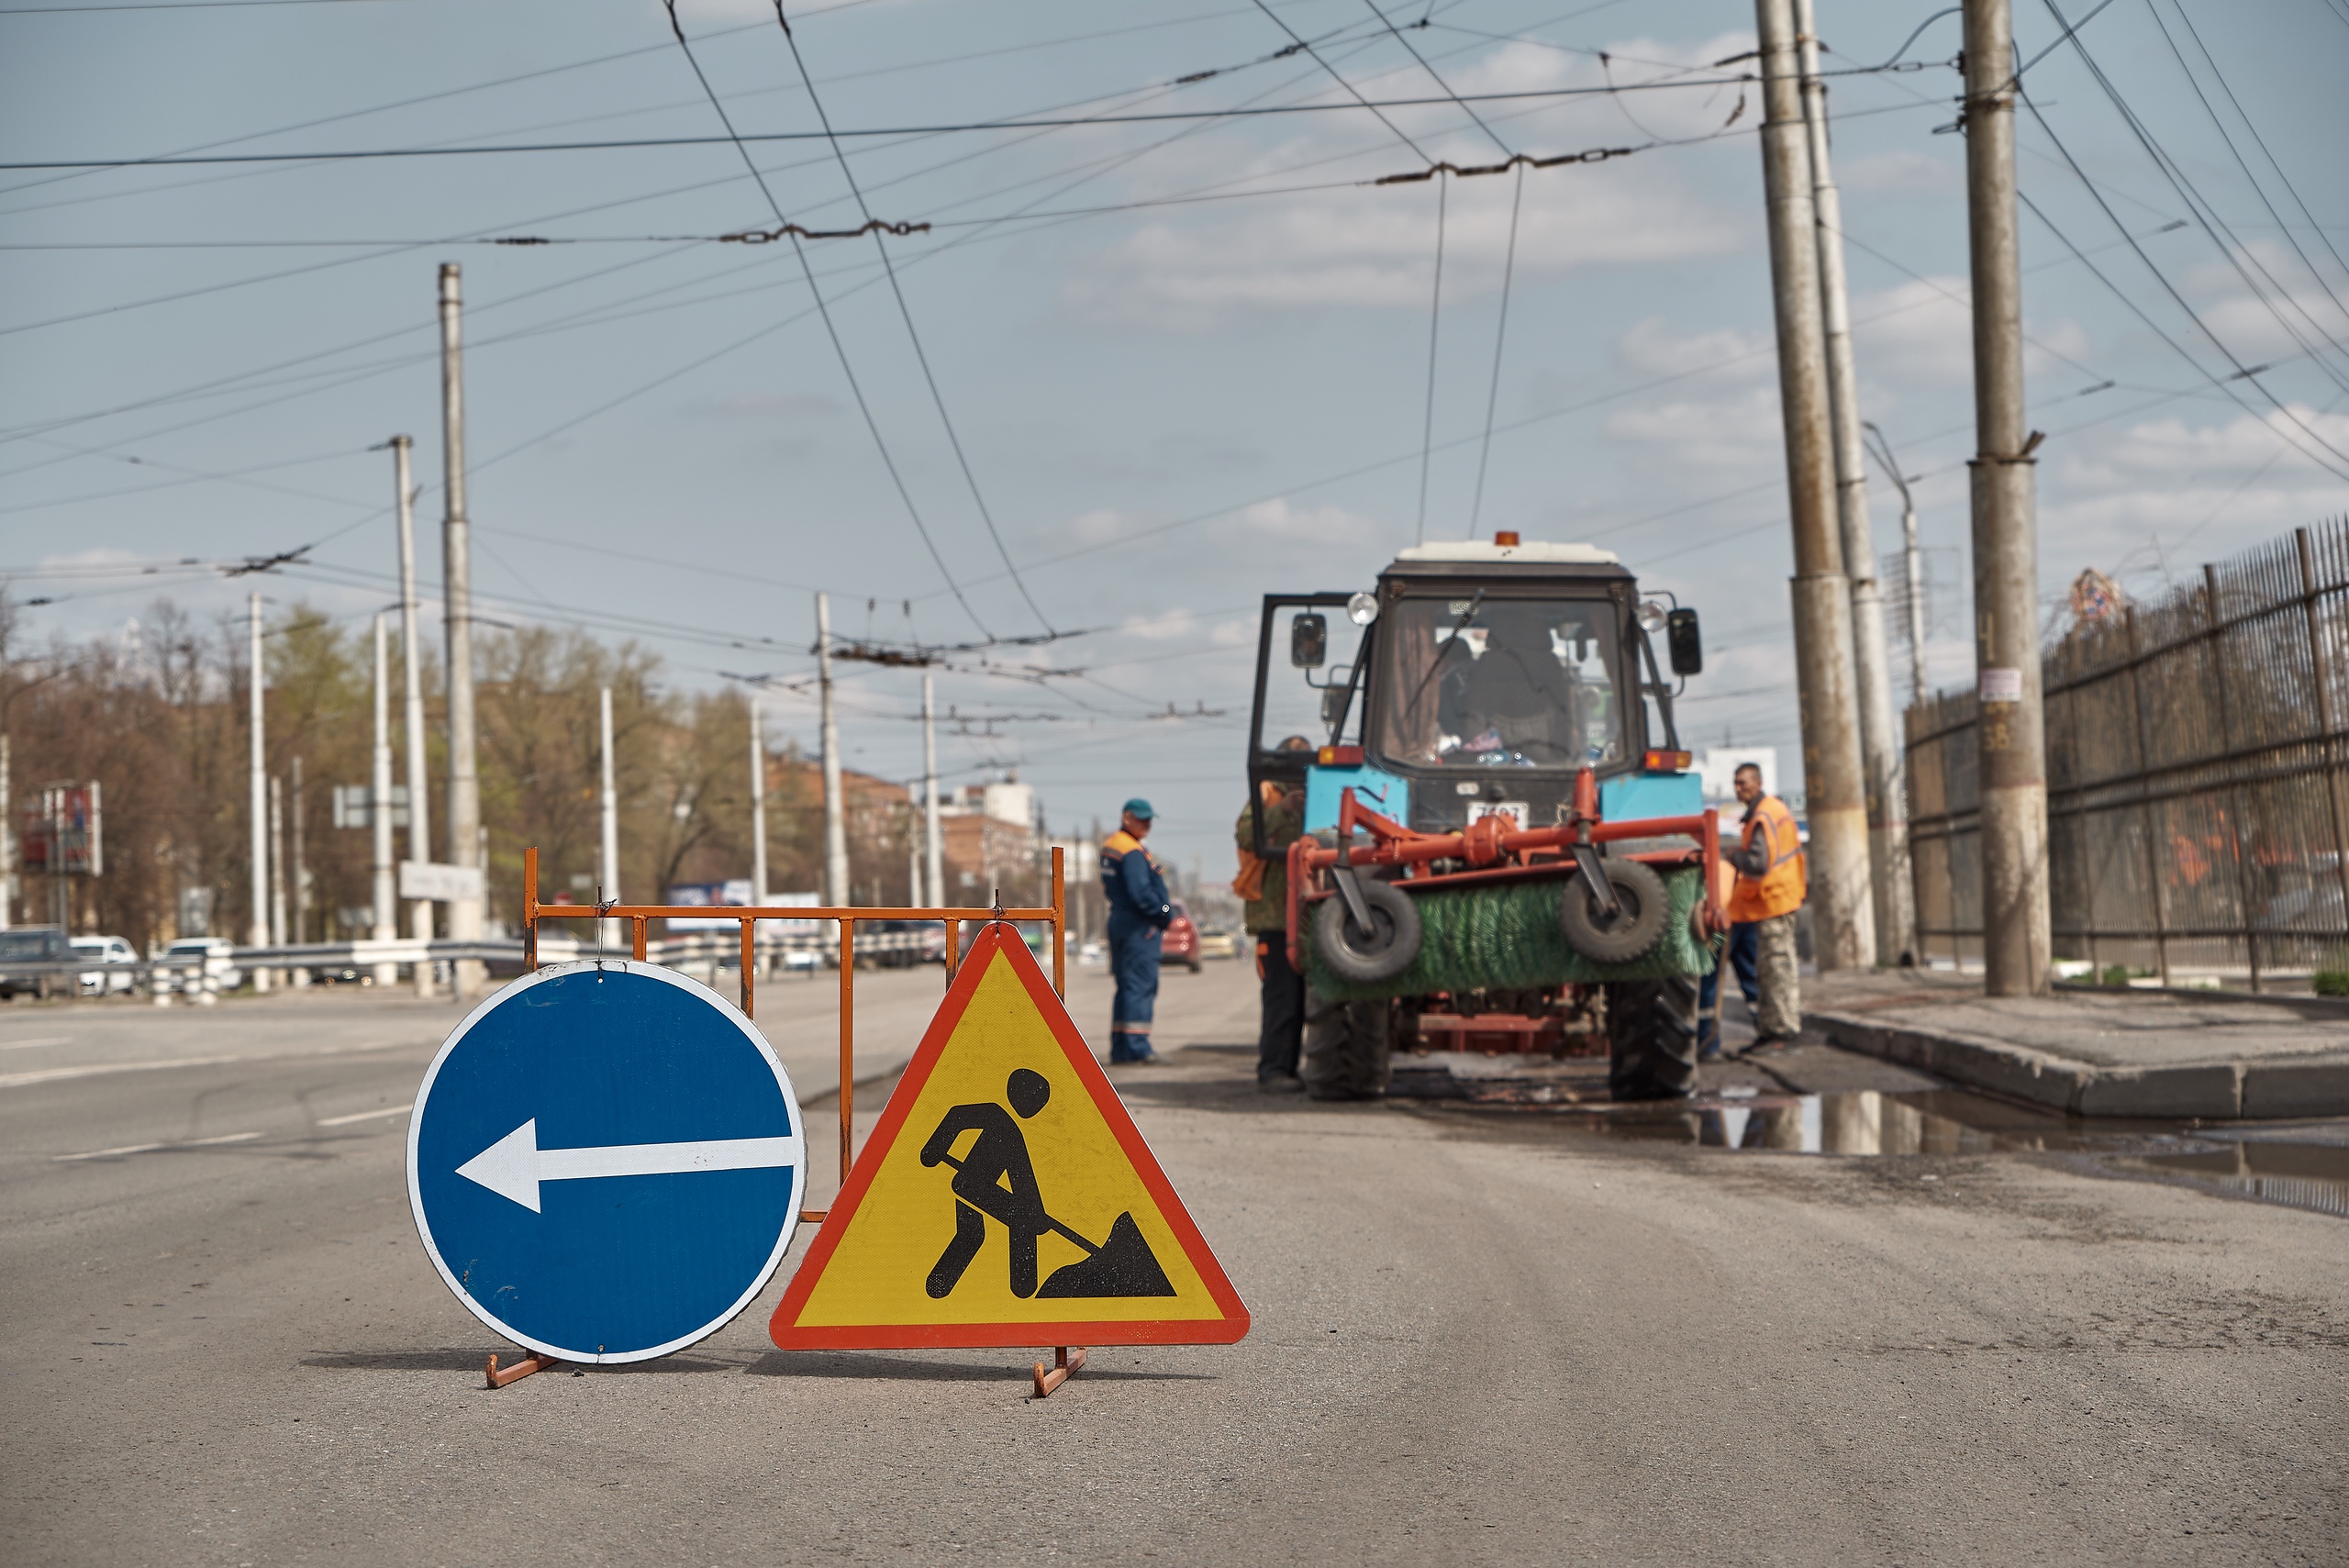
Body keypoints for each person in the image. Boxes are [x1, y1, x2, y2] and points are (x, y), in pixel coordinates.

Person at [1233, 739, 1312, 1093]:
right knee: (1282, 999)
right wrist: (1282, 809)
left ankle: (1297, 1068)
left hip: (1314, 916)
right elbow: (1246, 834)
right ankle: (1275, 1069)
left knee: (1307, 1000)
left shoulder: (1322, 792)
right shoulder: (1267, 794)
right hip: (1277, 918)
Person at [1719, 762, 1805, 1053]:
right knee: (1768, 971)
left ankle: (1782, 1032)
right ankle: (1771, 1032)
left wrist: (1733, 855)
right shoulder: (1763, 813)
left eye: (1743, 783)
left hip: (1776, 901)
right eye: (1736, 783)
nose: (1738, 788)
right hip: (1771, 902)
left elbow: (1757, 863)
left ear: (1758, 783)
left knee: (1777, 969)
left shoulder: (1764, 815)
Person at [1099, 797, 1174, 1064]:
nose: (1147, 825)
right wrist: (1165, 913)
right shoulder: (1130, 851)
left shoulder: (1112, 846)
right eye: (1142, 819)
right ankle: (1138, 1047)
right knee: (1140, 986)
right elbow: (1141, 893)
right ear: (1126, 817)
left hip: (1120, 920)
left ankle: (1121, 1047)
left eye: (1149, 820)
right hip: (1140, 926)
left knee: (1126, 986)